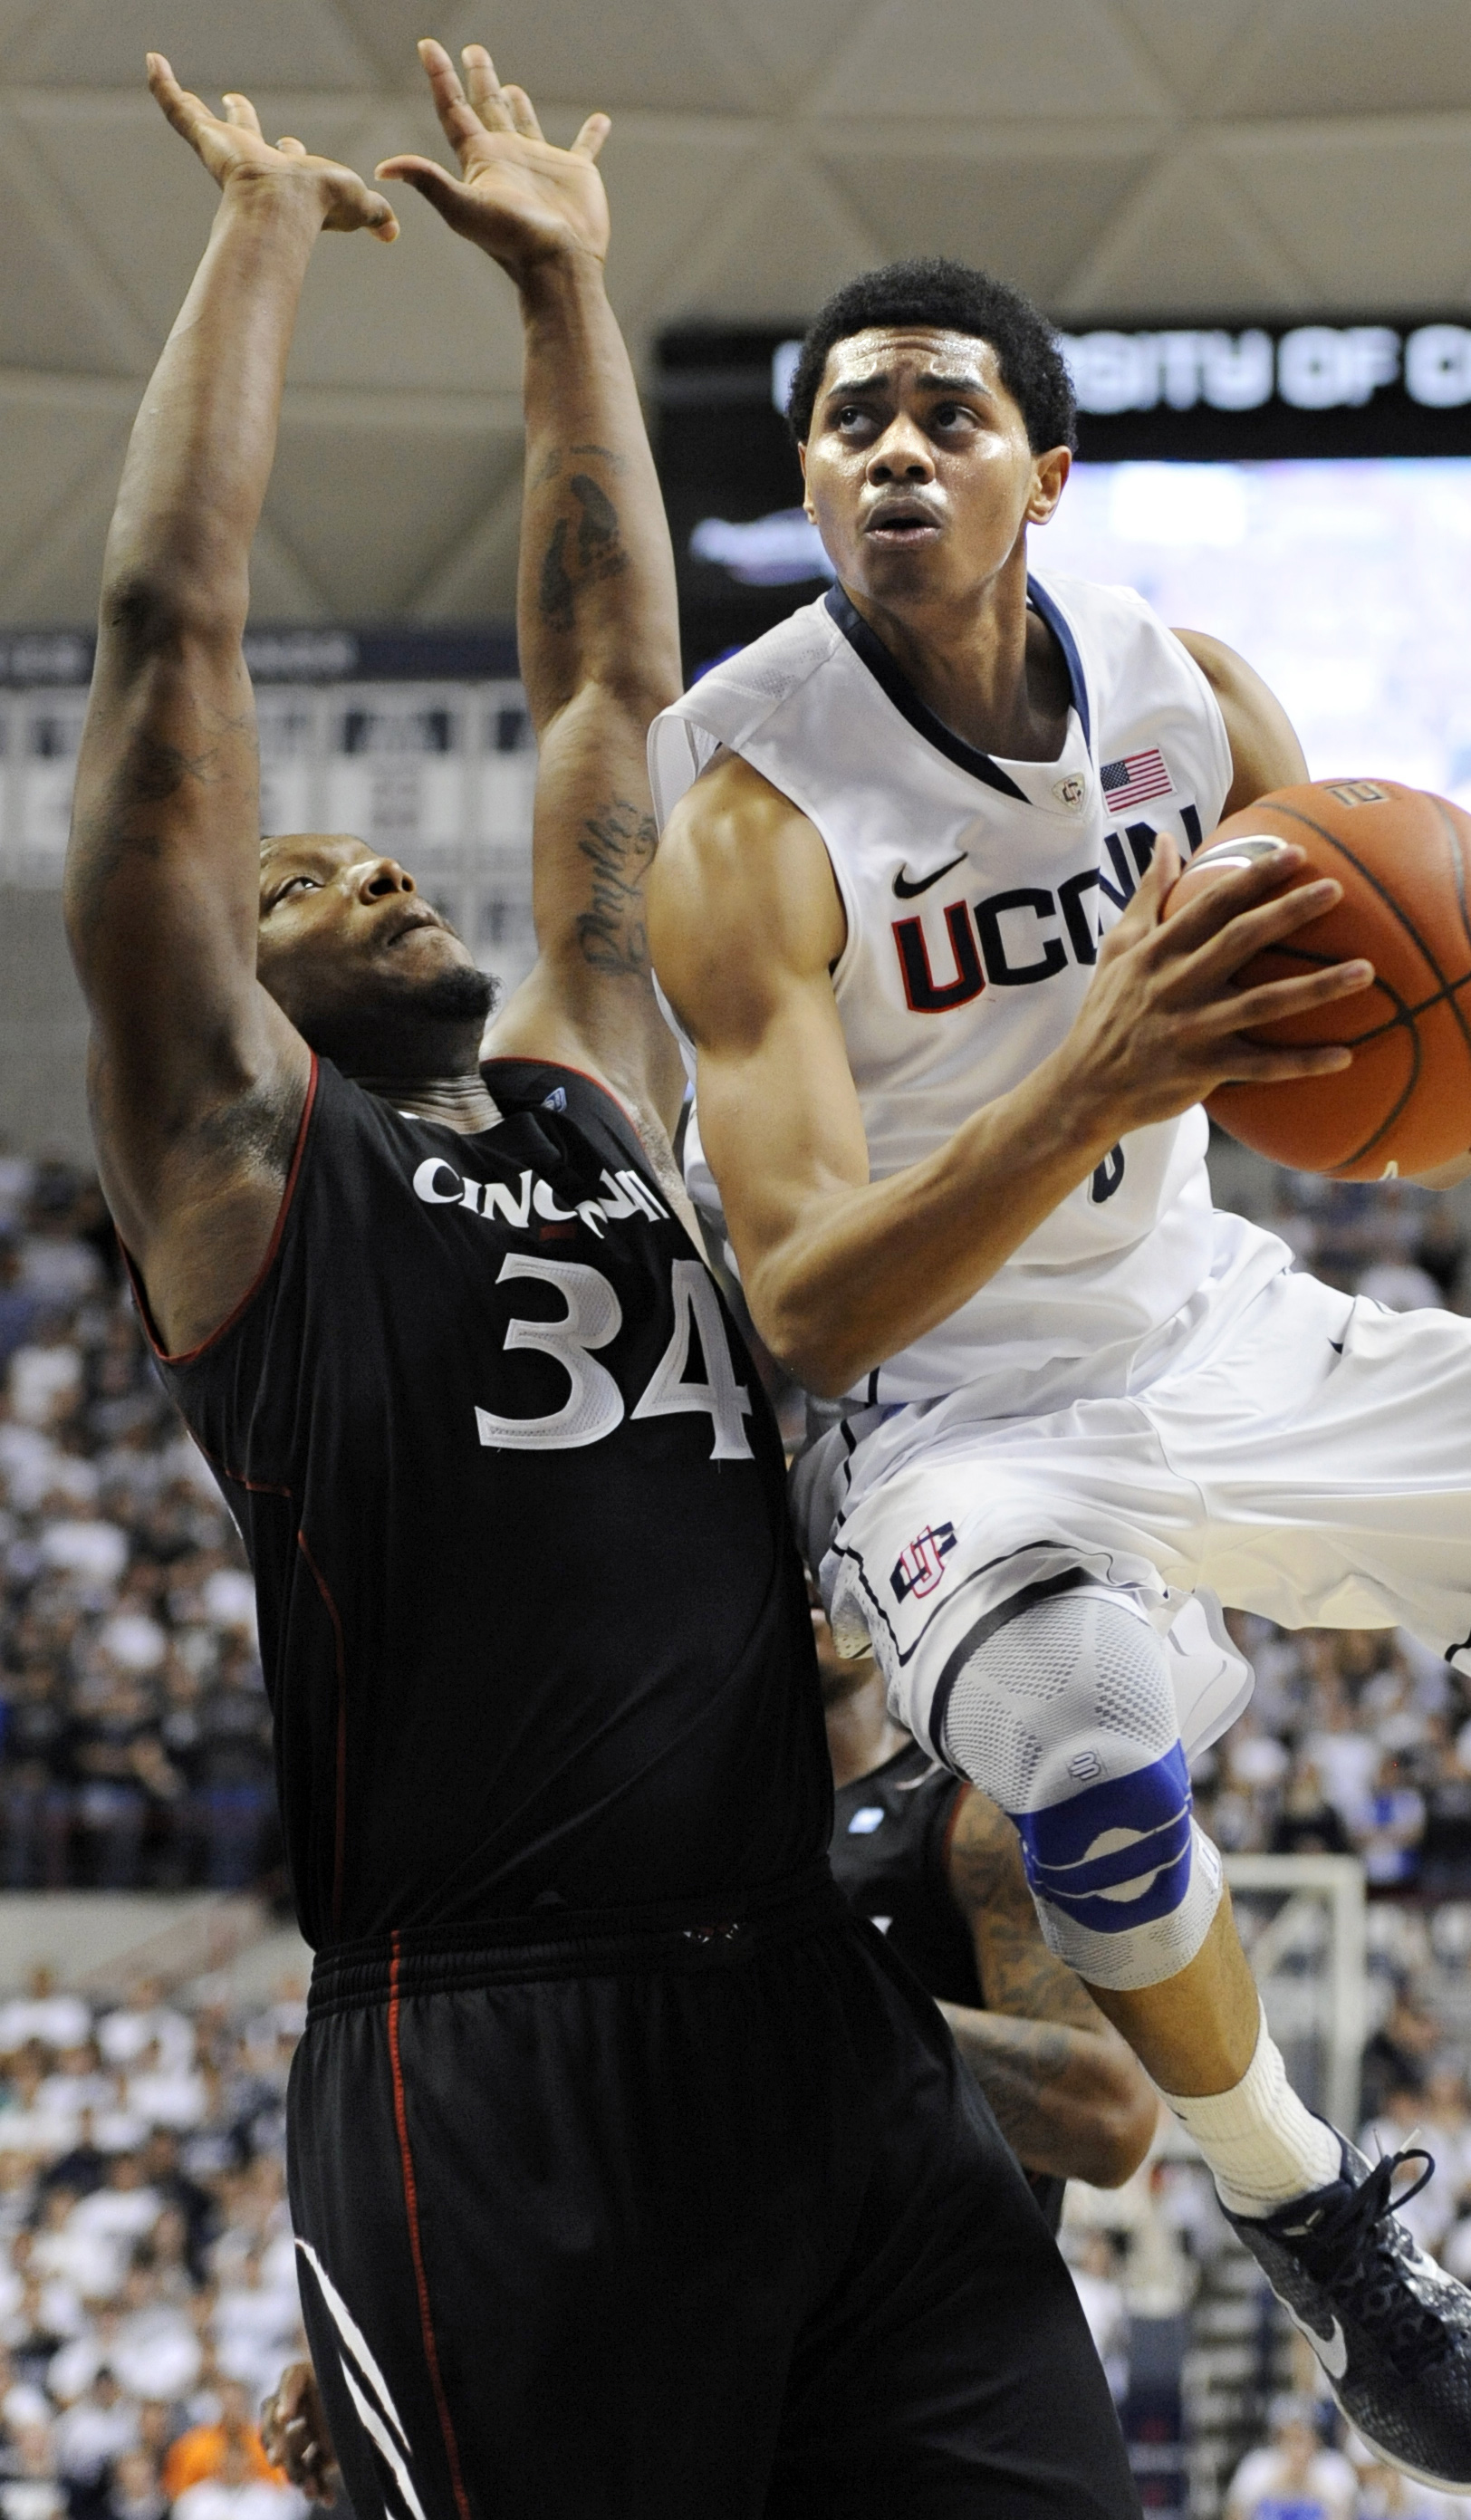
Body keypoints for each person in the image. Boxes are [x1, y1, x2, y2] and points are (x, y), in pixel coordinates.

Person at [646, 252, 1471, 2494]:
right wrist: (1090, 1073)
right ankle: (1301, 2207)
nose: (891, 446)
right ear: (808, 482)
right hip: (953, 1427)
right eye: (847, 420)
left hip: (1223, 1325)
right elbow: (805, 1310)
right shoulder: (742, 817)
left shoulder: (1187, 700)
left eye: (943, 413)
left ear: (1043, 473)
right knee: (1086, 1749)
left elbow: (1376, 968)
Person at [66, 63, 1135, 2520]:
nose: (377, 870)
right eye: (310, 871)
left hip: (802, 1998)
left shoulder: (585, 1087)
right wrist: (255, 239)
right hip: (494, 2044)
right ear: (217, 983)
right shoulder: (254, 1190)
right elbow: (167, 656)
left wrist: (565, 289)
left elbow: (601, 691)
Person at [821, 1606, 1157, 2221]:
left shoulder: (967, 1814)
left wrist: (849, 2022)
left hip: (945, 2300)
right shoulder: (703, 1831)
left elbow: (1111, 2119)